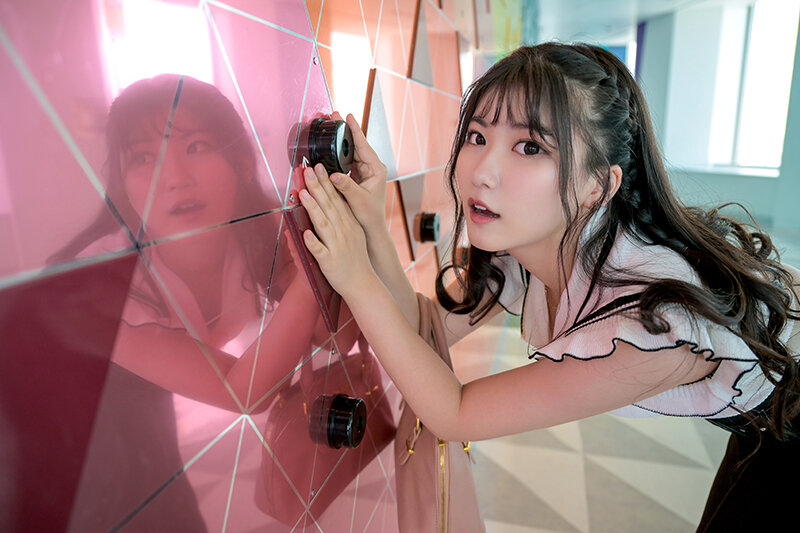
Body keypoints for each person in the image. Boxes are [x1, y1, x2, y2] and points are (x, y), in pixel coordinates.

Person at [297, 44, 800, 531]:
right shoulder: (545, 237)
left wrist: (357, 279)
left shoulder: (654, 321)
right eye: (477, 136)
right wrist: (372, 222)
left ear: (598, 186)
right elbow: (428, 328)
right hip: (763, 420)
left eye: (530, 147)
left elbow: (455, 413)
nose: (482, 173)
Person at [54, 74, 325, 531]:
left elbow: (331, 332)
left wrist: (324, 209)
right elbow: (244, 393)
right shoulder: (93, 288)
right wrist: (319, 263)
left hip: (145, 454)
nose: (174, 179)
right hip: (53, 465)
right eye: (144, 158)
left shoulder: (251, 236)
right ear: (123, 184)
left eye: (196, 147)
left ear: (241, 162)